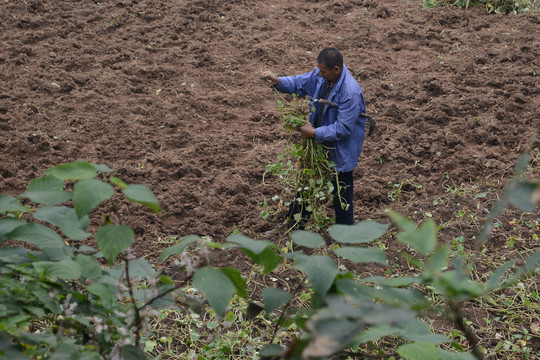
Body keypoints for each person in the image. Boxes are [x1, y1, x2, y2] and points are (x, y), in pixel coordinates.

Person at [263, 47, 366, 226]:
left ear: (336, 69)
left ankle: (346, 235)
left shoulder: (350, 92)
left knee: (342, 193)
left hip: (340, 150)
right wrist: (278, 81)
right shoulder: (320, 76)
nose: (319, 73)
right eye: (319, 69)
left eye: (323, 71)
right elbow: (299, 83)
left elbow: (343, 128)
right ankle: (295, 225)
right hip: (318, 144)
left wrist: (313, 132)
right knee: (307, 183)